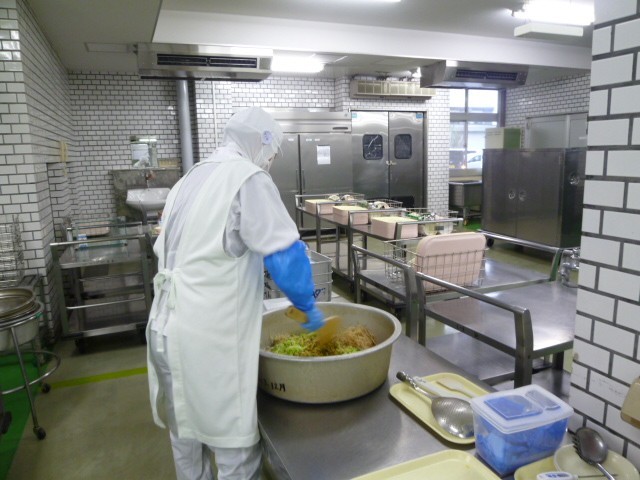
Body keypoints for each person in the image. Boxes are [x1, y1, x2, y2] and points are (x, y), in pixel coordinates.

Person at [146, 107, 326, 480]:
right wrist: (308, 304)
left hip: (165, 328)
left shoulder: (191, 177)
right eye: (272, 154)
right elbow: (284, 254)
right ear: (261, 144)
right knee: (234, 450)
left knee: (187, 440)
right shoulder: (247, 178)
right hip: (209, 339)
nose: (270, 162)